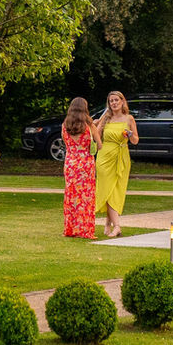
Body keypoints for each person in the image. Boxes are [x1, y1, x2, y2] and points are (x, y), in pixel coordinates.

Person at [93, 92, 137, 238]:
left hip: (122, 156)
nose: (114, 103)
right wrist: (95, 123)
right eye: (111, 101)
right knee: (107, 189)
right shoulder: (106, 118)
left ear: (122, 101)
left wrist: (130, 135)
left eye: (116, 100)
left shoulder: (129, 119)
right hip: (105, 156)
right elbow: (97, 136)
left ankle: (108, 223)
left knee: (116, 191)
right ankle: (117, 226)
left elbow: (136, 140)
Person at [60, 98, 97, 239]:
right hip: (86, 163)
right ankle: (85, 230)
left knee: (71, 195)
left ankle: (70, 229)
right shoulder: (89, 126)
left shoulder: (65, 125)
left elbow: (66, 143)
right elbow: (98, 145)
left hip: (70, 163)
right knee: (86, 197)